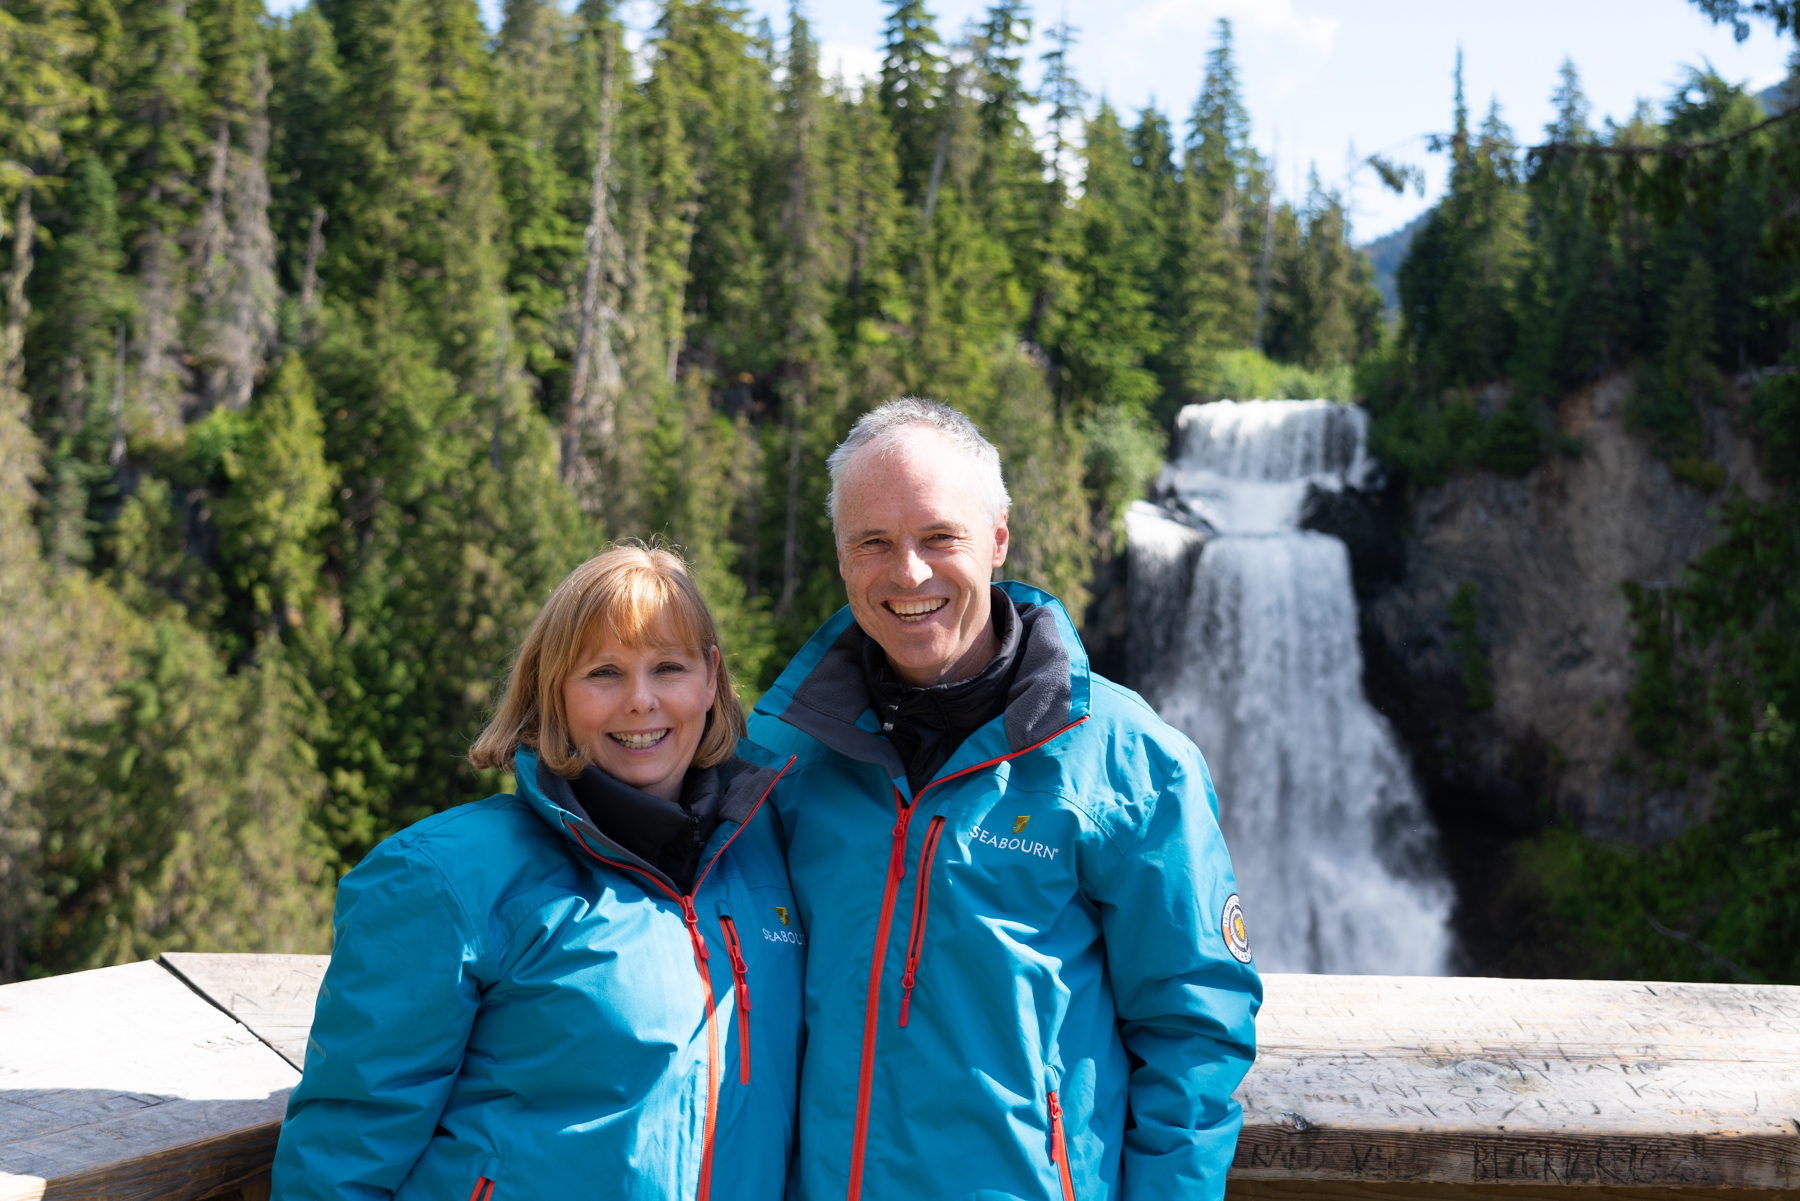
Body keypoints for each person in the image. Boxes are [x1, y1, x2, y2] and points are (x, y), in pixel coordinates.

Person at [741, 399, 1260, 1201]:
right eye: (873, 542)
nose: (908, 572)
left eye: (938, 536)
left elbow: (1195, 1030)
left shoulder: (1131, 761)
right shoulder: (782, 756)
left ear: (998, 539)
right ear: (842, 557)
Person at [273, 544, 803, 1201]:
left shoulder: (767, 857)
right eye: (604, 673)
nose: (641, 700)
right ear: (552, 690)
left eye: (669, 667)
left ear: (711, 679)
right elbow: (341, 1159)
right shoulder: (444, 876)